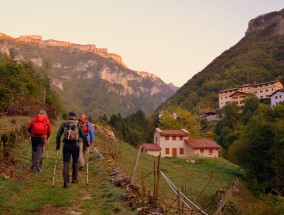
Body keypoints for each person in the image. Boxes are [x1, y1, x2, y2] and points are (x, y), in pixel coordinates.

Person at [56, 112, 87, 189]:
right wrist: (87, 143)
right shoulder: (78, 125)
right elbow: (83, 135)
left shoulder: (64, 124)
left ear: (69, 117)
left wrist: (58, 145)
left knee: (66, 163)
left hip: (66, 146)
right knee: (75, 162)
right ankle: (74, 179)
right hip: (75, 145)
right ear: (75, 117)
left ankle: (66, 183)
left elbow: (58, 135)